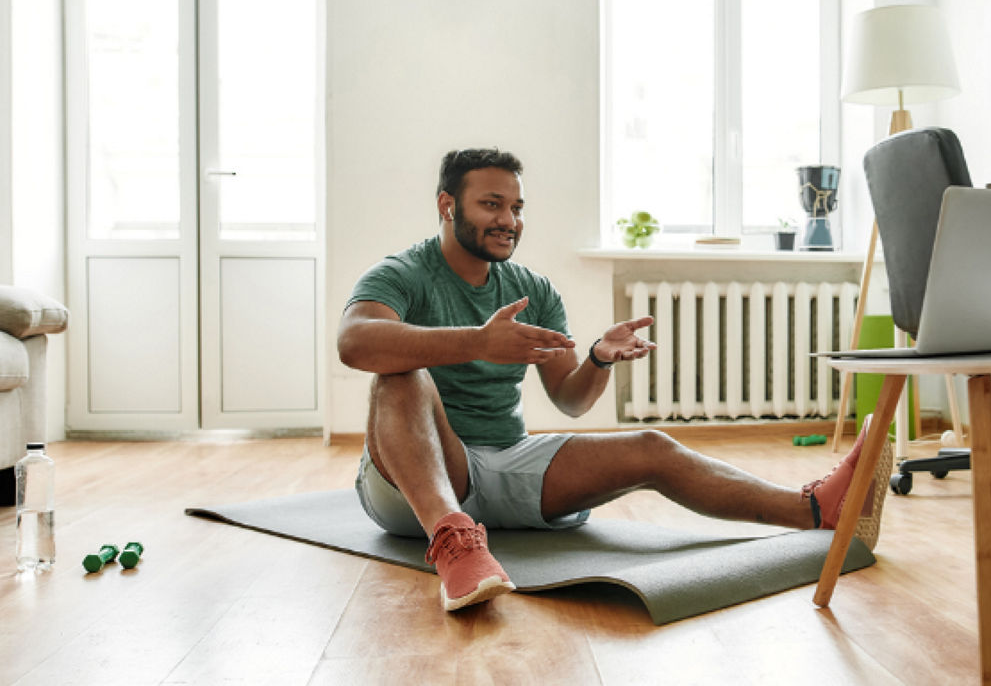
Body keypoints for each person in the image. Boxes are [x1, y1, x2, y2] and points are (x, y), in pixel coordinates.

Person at [337, 148, 887, 612]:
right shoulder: (401, 274)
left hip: (506, 462)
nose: (509, 219)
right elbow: (355, 343)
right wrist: (478, 341)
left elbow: (569, 400)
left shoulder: (533, 288)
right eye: (491, 204)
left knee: (651, 446)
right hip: (419, 483)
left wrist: (597, 359)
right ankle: (453, 540)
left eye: (516, 207)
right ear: (447, 206)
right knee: (399, 376)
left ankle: (814, 511)